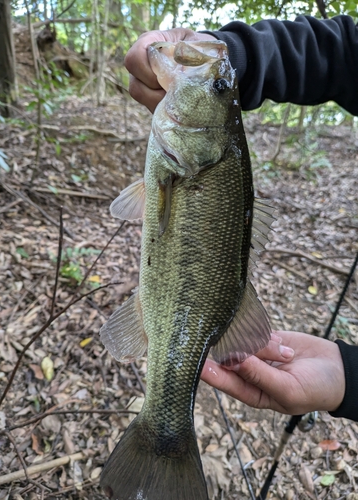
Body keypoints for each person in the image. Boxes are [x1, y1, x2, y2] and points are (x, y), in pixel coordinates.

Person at [124, 15, 358, 422]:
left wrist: (351, 382)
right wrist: (235, 52)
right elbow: (342, 49)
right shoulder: (194, 159)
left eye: (217, 88)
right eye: (221, 88)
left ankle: (162, 425)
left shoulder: (196, 161)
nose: (217, 83)